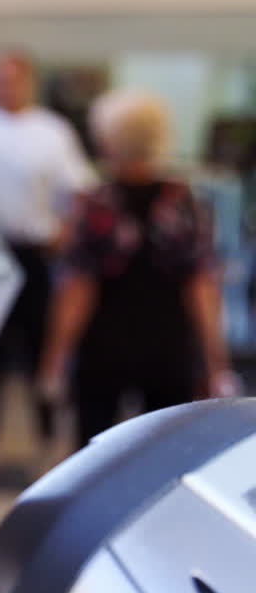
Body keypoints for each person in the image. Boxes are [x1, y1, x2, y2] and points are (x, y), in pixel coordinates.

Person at [39, 90, 236, 444]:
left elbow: (77, 291)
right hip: (168, 348)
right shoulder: (185, 202)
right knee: (165, 455)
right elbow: (202, 287)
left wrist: (54, 357)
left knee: (95, 457)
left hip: (105, 349)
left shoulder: (94, 205)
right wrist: (216, 360)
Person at [0, 49, 94, 458]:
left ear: (28, 81)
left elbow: (79, 191)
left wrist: (64, 233)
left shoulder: (52, 131)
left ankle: (46, 439)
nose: (3, 87)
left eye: (11, 79)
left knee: (40, 348)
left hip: (34, 251)